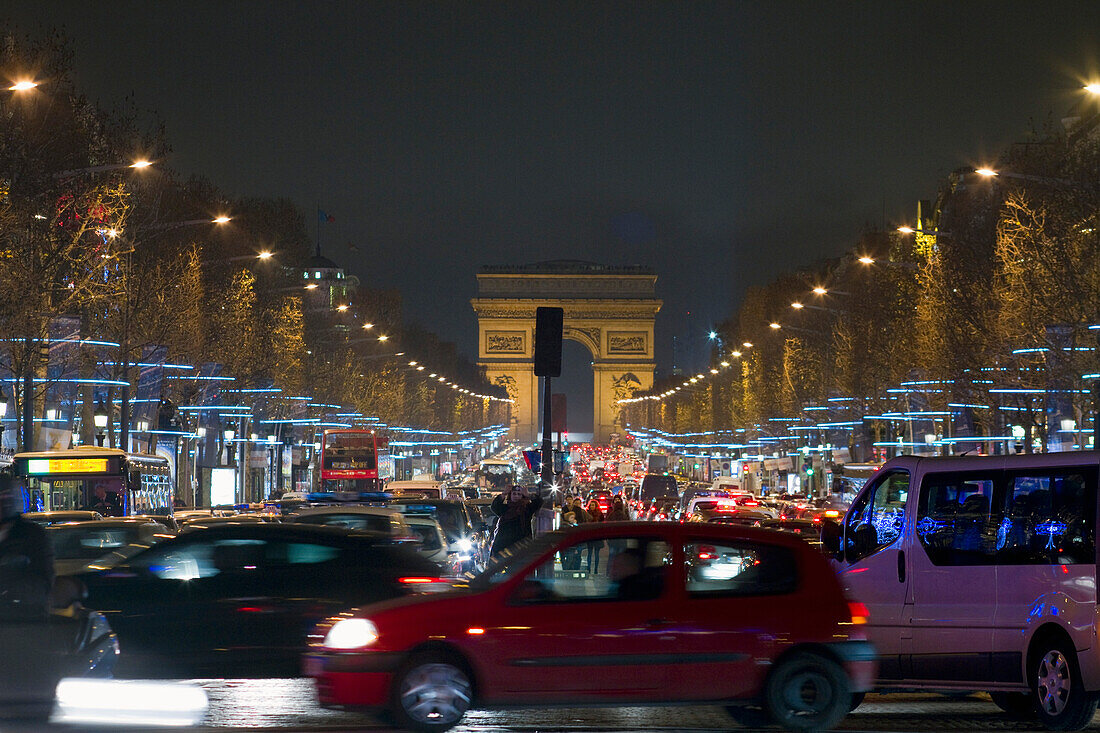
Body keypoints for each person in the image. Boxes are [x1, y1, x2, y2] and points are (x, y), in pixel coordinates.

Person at [0, 475, 54, 621]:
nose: (3, 502)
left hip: (24, 622)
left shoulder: (32, 535)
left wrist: (8, 589)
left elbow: (42, 583)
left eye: (6, 495)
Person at [490, 484, 543, 557]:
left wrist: (528, 495)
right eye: (514, 494)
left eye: (519, 494)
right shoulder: (505, 508)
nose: (516, 496)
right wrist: (504, 493)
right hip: (504, 546)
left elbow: (539, 502)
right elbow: (494, 506)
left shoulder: (527, 509)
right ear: (510, 495)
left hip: (522, 546)